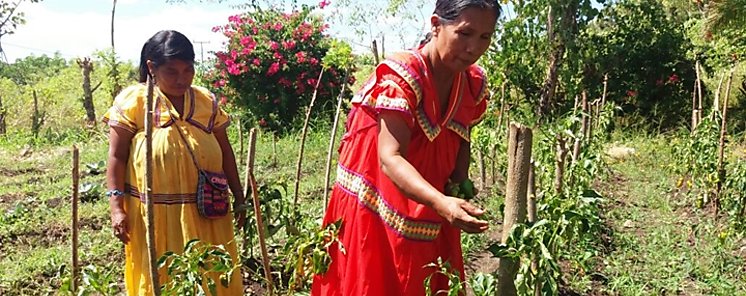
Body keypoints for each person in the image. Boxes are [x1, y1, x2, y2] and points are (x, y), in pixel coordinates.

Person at [312, 0, 500, 295]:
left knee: (425, 274)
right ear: (436, 25)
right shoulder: (402, 78)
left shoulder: (472, 83)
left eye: (484, 37)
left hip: (430, 198)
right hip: (377, 200)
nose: (473, 47)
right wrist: (441, 202)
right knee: (375, 278)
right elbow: (390, 158)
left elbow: (462, 132)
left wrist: (459, 180)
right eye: (465, 33)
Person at [103, 30, 245, 294]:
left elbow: (226, 152)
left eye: (188, 70)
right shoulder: (134, 102)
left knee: (212, 272)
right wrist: (116, 207)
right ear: (151, 68)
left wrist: (239, 196)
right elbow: (116, 156)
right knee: (162, 274)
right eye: (172, 71)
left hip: (208, 211)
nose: (182, 79)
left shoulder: (206, 101)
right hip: (156, 215)